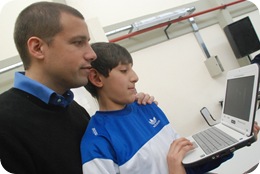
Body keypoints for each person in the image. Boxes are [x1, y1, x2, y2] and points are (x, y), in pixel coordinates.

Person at [0, 2, 156, 174]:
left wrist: (133, 112)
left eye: (88, 42)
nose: (92, 54)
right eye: (78, 42)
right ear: (38, 48)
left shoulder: (73, 110)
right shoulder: (5, 121)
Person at [80, 42, 258, 174]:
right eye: (124, 70)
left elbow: (186, 161)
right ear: (97, 78)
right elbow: (176, 168)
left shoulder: (147, 107)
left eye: (132, 69)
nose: (135, 77)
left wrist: (231, 144)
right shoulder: (97, 143)